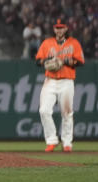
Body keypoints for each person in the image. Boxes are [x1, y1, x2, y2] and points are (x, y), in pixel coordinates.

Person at [35, 18, 85, 152]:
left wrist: (68, 62)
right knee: (44, 110)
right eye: (57, 27)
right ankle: (51, 140)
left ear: (66, 28)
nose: (59, 30)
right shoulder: (47, 43)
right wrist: (48, 61)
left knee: (67, 113)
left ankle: (67, 143)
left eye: (61, 27)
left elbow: (80, 62)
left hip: (67, 81)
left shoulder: (74, 43)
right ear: (54, 29)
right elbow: (38, 61)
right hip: (50, 80)